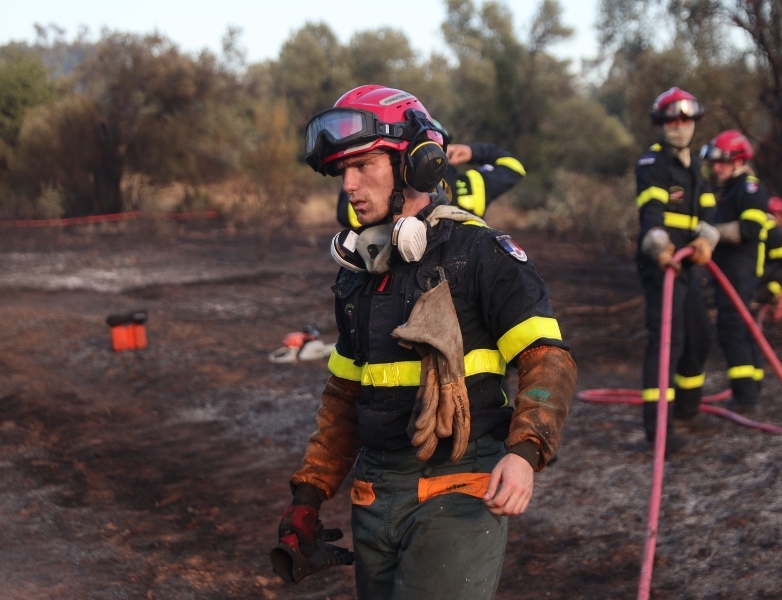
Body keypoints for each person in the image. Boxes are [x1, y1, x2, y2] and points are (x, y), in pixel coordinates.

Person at [279, 84, 577, 598]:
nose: (348, 185)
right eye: (341, 172)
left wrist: (525, 453)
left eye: (363, 166)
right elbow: (342, 398)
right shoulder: (357, 274)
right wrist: (309, 494)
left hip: (460, 489)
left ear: (418, 163)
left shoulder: (481, 253)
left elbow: (547, 360)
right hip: (375, 496)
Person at [635, 87, 719, 451]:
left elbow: (709, 216)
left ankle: (687, 409)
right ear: (661, 124)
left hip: (688, 265)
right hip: (663, 266)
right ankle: (660, 432)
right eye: (671, 120)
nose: (679, 126)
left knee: (699, 336)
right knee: (667, 342)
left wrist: (706, 241)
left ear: (695, 123)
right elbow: (651, 217)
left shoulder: (697, 168)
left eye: (685, 119)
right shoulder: (652, 166)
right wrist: (660, 247)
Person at [701, 130, 769, 413]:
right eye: (714, 161)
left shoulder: (749, 189)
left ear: (739, 161)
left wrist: (713, 232)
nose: (716, 167)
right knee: (740, 327)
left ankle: (744, 396)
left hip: (739, 271)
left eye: (722, 161)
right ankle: (752, 387)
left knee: (731, 328)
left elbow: (751, 228)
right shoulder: (731, 189)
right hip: (731, 271)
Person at [336, 138, 526, 228]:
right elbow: (515, 167)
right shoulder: (473, 184)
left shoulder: (394, 189)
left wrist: (354, 170)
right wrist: (473, 151)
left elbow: (346, 215)